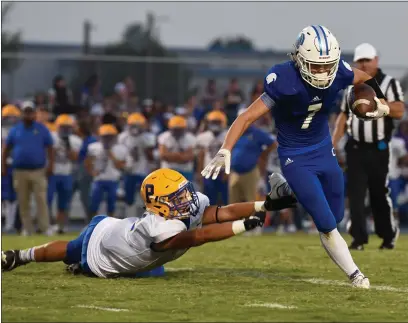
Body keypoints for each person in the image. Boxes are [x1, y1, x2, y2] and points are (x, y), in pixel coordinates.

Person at [202, 25, 394, 289]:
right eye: (316, 66)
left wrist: (378, 103)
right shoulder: (283, 80)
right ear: (299, 59)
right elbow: (246, 116)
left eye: (327, 66)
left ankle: (286, 191)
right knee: (326, 223)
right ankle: (356, 275)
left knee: (336, 216)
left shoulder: (339, 72)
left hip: (324, 151)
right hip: (295, 157)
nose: (323, 72)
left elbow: (365, 79)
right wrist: (225, 148)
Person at [1, 169, 297, 277]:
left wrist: (265, 204)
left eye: (184, 192)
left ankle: (74, 266)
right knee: (71, 249)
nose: (187, 199)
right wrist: (244, 227)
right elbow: (198, 237)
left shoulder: (177, 214)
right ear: (160, 204)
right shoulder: (161, 226)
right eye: (177, 197)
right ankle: (20, 256)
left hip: (130, 243)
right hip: (103, 244)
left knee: (156, 272)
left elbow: (224, 211)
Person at [332, 43, 405, 250]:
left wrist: (381, 105)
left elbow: (399, 110)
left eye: (367, 60)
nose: (364, 64)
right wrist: (332, 143)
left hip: (379, 148)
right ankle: (358, 238)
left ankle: (387, 235)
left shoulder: (389, 83)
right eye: (360, 60)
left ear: (376, 60)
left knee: (379, 194)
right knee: (354, 194)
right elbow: (342, 116)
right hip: (355, 148)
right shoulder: (350, 85)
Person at [2, 101, 55, 236]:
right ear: (22, 114)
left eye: (31, 112)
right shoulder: (15, 130)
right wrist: (2, 165)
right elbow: (6, 149)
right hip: (19, 170)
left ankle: (44, 227)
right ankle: (27, 228)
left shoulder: (42, 128)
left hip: (38, 170)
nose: (28, 114)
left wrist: (51, 165)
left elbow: (50, 148)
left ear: (34, 113)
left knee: (41, 200)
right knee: (23, 201)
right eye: (26, 112)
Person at [48, 114, 83, 234]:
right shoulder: (50, 137)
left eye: (67, 127)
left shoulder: (75, 140)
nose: (65, 130)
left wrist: (67, 145)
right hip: (52, 173)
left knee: (63, 202)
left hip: (67, 173)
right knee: (48, 200)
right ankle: (48, 225)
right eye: (62, 127)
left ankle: (60, 225)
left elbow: (75, 158)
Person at [85, 124, 128, 218]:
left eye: (110, 137)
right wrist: (92, 172)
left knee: (111, 204)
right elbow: (87, 162)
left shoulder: (120, 148)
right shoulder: (93, 147)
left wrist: (110, 154)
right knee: (94, 203)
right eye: (105, 137)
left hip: (113, 179)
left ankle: (111, 225)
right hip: (98, 179)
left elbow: (121, 166)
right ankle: (91, 224)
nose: (107, 139)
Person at [118, 113, 156, 215]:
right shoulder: (123, 137)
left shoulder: (148, 137)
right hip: (129, 170)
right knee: (129, 198)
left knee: (148, 198)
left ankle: (148, 221)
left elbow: (151, 157)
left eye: (138, 125)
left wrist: (145, 148)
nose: (136, 128)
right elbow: (119, 154)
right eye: (134, 125)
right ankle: (129, 220)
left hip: (144, 171)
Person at [196, 111, 229, 205]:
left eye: (217, 122)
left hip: (223, 171)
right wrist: (199, 172)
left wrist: (229, 171)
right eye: (213, 122)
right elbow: (201, 155)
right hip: (209, 172)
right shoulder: (203, 137)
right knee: (209, 199)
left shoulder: (228, 135)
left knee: (225, 199)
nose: (215, 125)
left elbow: (232, 153)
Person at [1, 105, 21, 233]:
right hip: (3, 166)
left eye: (13, 117)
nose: (10, 119)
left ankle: (9, 224)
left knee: (12, 198)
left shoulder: (19, 131)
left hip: (14, 166)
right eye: (8, 117)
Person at [158, 116, 196, 181]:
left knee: (186, 191)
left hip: (185, 171)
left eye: (179, 129)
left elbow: (189, 157)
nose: (177, 131)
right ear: (170, 128)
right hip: (168, 171)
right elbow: (163, 155)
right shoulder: (163, 137)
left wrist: (171, 156)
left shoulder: (191, 138)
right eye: (175, 129)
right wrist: (180, 156)